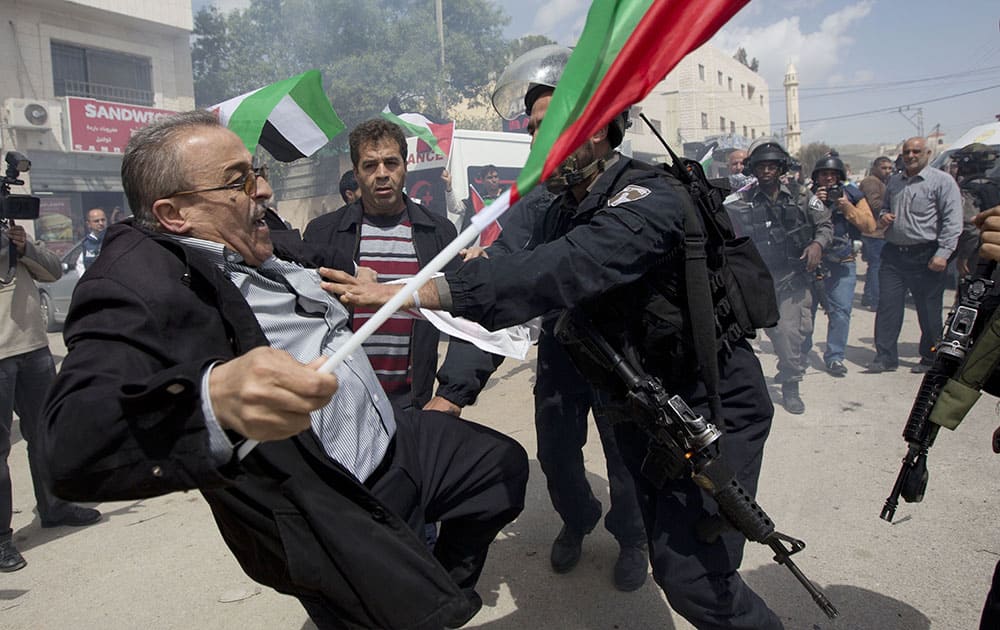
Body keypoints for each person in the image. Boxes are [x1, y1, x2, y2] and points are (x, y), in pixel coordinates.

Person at [325, 44, 784, 628]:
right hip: (637, 396)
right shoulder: (556, 206)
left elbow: (554, 271)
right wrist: (464, 300)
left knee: (695, 577)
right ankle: (590, 524)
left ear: (598, 131)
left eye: (554, 128)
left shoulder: (648, 199)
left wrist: (406, 292)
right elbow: (504, 269)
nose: (540, 142)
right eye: (534, 129)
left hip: (704, 404)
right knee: (648, 531)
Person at [42, 110, 528, 629]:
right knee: (394, 618)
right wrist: (215, 399)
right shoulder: (135, 282)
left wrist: (356, 279)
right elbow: (72, 442)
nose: (264, 191)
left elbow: (318, 254)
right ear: (174, 213)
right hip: (336, 493)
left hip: (395, 435)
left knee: (502, 470)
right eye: (239, 180)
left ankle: (441, 583)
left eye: (255, 173)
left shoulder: (263, 238)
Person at [460, 184, 648, 592]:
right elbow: (511, 245)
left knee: (625, 457)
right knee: (555, 452)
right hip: (562, 345)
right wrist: (487, 257)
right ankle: (578, 519)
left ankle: (633, 537)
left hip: (618, 350)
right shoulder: (543, 200)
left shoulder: (626, 191)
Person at [303, 119, 498, 414]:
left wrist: (452, 392)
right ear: (356, 173)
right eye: (370, 166)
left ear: (404, 167)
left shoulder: (439, 233)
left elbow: (468, 317)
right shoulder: (323, 234)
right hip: (339, 401)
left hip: (410, 402)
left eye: (390, 163)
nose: (382, 174)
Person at [1, 219, 100, 572]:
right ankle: (1, 539)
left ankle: (56, 507)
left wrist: (24, 248)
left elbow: (54, 271)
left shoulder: (14, 238)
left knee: (46, 434)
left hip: (33, 348)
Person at [724, 139, 833, 414]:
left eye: (772, 165)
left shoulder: (803, 196)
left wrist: (817, 245)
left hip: (793, 278)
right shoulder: (742, 199)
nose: (766, 171)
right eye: (761, 166)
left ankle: (790, 379)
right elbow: (719, 210)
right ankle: (774, 384)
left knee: (794, 335)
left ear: (781, 168)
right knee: (768, 335)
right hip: (758, 280)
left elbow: (825, 225)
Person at [866, 136, 963, 374]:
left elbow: (953, 221)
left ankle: (930, 357)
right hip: (894, 256)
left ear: (927, 154)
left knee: (929, 310)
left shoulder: (943, 182)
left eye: (916, 152)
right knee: (888, 307)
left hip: (926, 255)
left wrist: (943, 253)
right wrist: (884, 217)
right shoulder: (894, 182)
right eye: (907, 151)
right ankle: (885, 357)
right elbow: (886, 208)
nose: (910, 156)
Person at [801, 151, 876, 377]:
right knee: (806, 314)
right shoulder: (806, 195)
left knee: (840, 312)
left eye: (833, 174)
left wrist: (845, 206)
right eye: (824, 174)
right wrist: (816, 203)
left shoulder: (852, 194)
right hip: (813, 264)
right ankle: (800, 357)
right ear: (817, 176)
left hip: (842, 263)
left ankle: (835, 357)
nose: (829, 179)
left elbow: (869, 225)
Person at [858, 157, 894, 311]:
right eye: (884, 168)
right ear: (875, 167)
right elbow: (875, 204)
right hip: (874, 232)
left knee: (874, 265)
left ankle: (868, 297)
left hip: (877, 232)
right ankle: (875, 300)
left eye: (889, 168)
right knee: (876, 267)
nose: (887, 171)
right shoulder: (871, 182)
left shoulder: (880, 182)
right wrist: (894, 206)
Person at [75, 207, 107, 275]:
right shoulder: (86, 244)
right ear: (88, 224)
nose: (101, 223)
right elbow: (80, 266)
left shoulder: (114, 238)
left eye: (103, 220)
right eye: (96, 221)